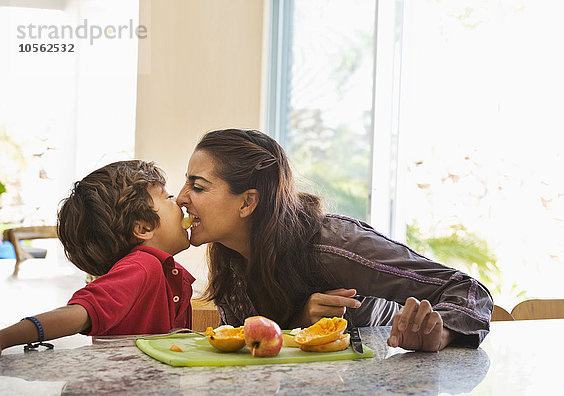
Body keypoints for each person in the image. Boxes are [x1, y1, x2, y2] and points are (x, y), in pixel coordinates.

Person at [177, 128, 493, 352]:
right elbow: (257, 352)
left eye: (198, 187)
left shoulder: (335, 247)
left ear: (247, 202)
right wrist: (300, 322)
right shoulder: (228, 255)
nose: (181, 198)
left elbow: (469, 291)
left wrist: (439, 334)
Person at [0, 160, 193, 355]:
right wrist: (4, 338)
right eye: (168, 197)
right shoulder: (142, 266)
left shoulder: (162, 270)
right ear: (143, 228)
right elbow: (81, 312)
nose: (179, 202)